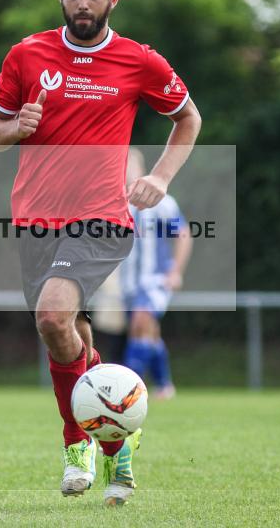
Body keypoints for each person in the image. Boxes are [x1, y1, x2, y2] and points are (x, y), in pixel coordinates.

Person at [0, 0, 201, 505]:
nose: (83, 2)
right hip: (35, 220)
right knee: (67, 334)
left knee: (53, 316)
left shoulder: (138, 61)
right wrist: (17, 125)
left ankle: (76, 441)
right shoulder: (27, 54)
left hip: (101, 218)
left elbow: (188, 118)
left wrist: (160, 177)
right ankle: (117, 443)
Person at [120, 148, 192, 401]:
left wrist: (176, 271)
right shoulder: (115, 203)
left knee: (141, 322)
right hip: (128, 283)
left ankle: (128, 389)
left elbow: (183, 234)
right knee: (147, 333)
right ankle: (164, 384)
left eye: (129, 165)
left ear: (140, 169)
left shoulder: (159, 201)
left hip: (154, 280)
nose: (124, 170)